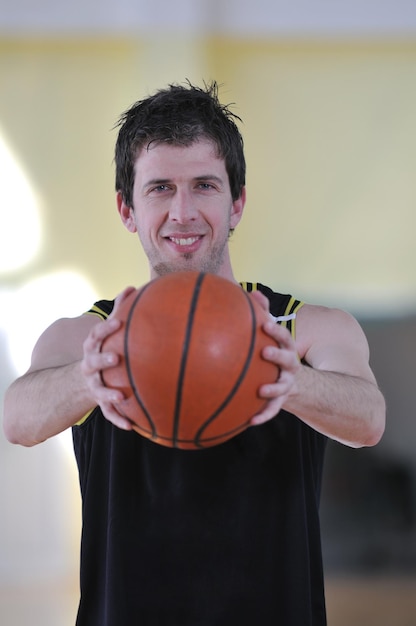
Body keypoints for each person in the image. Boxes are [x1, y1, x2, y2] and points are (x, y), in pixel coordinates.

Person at [3, 81, 385, 626]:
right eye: (160, 188)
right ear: (127, 208)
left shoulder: (301, 328)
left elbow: (368, 419)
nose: (182, 212)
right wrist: (92, 379)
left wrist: (291, 382)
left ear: (237, 203)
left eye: (204, 185)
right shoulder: (87, 338)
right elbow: (17, 419)